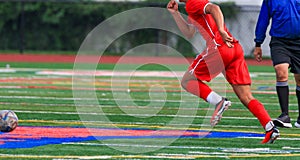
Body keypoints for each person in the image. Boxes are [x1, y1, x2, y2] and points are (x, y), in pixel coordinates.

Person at [167, 0, 280, 143]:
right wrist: (175, 14)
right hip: (234, 48)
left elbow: (215, 8)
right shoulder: (192, 7)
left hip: (219, 48)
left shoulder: (192, 2)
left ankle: (219, 101)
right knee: (246, 97)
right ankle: (270, 128)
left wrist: (220, 30)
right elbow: (189, 32)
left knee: (187, 81)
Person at [254, 0, 300, 128]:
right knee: (281, 73)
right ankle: (285, 115)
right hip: (279, 42)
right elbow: (263, 19)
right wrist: (258, 43)